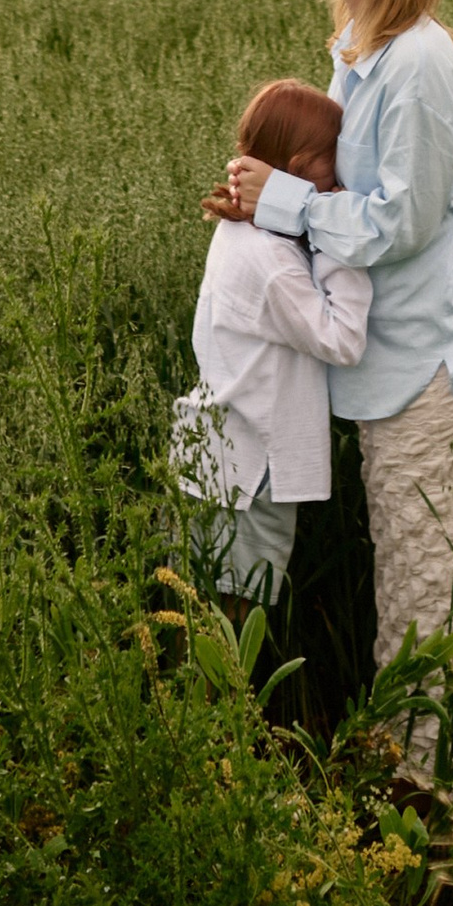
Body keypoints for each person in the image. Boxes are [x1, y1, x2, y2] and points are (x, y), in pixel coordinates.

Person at [207, 0, 453, 743]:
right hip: (401, 368)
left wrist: (279, 199)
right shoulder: (362, 57)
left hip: (444, 367)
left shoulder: (420, 62)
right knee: (424, 585)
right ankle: (444, 789)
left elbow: (406, 221)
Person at [175, 80, 371, 608]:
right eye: (336, 161)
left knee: (198, 614)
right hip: (250, 470)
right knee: (234, 618)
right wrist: (339, 237)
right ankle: (228, 694)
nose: (343, 175)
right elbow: (343, 338)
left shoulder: (242, 233)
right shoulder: (268, 262)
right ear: (303, 164)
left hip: (222, 454)